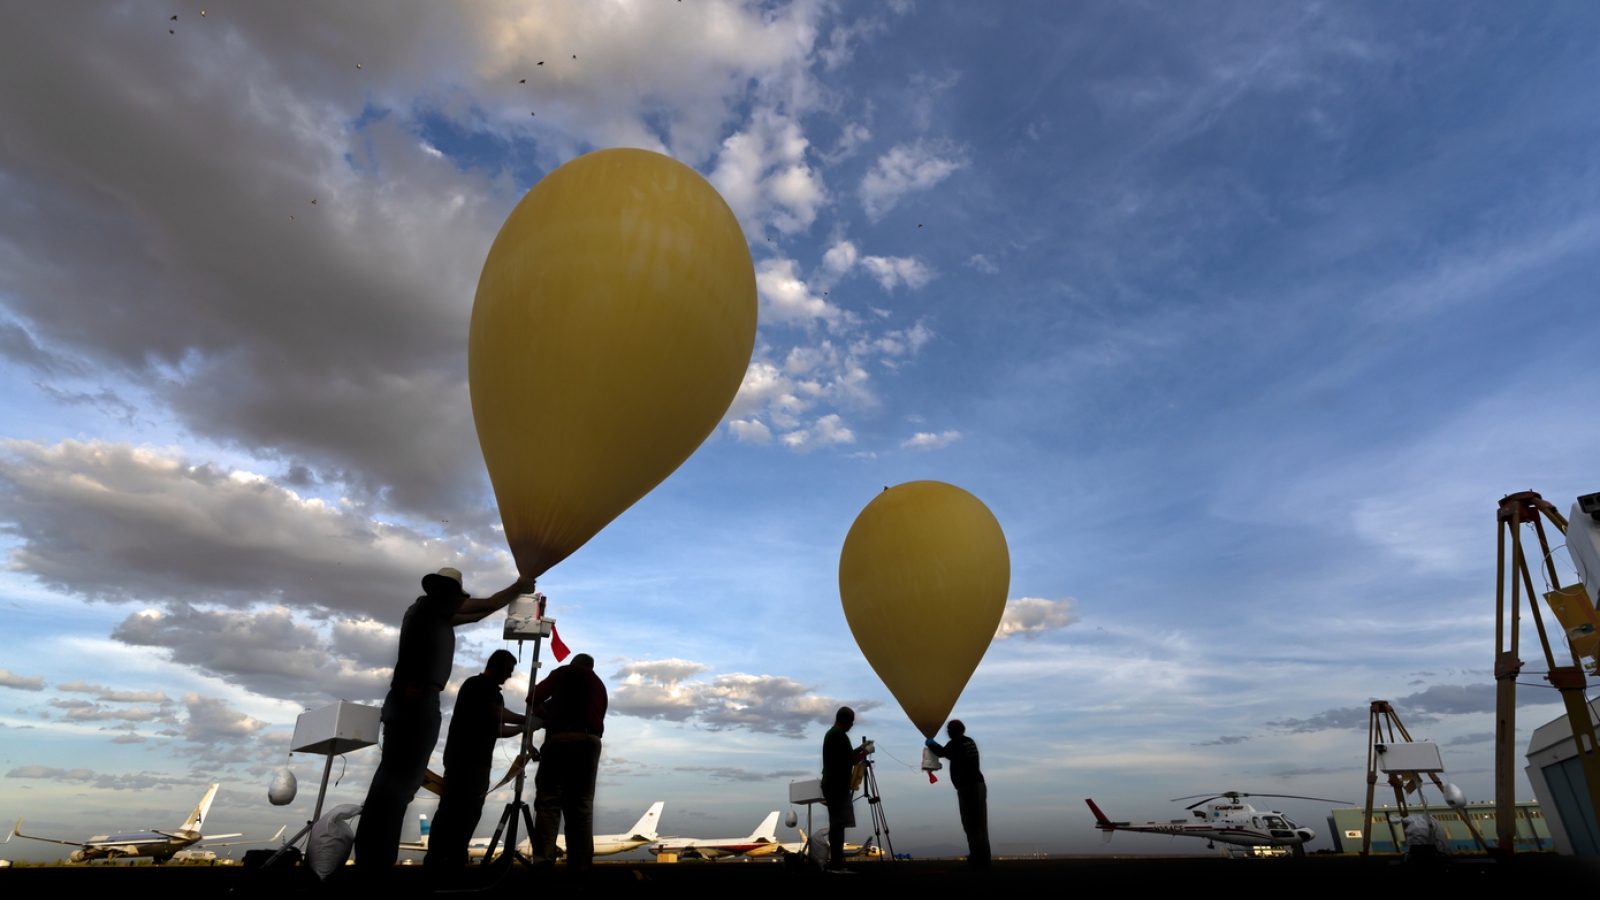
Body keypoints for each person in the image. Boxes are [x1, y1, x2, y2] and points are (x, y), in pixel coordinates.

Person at [354, 567, 532, 872]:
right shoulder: (432, 605)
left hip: (409, 699)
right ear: (446, 591)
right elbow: (485, 605)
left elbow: (476, 615)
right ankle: (376, 867)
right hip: (416, 700)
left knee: (391, 785)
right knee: (399, 788)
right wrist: (519, 586)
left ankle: (372, 862)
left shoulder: (428, 612)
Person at [424, 650, 526, 878]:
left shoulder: (495, 695)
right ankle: (436, 862)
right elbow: (495, 714)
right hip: (463, 759)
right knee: (452, 810)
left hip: (480, 763)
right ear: (496, 666)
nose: (509, 676)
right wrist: (525, 719)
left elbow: (497, 728)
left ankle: (455, 861)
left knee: (470, 813)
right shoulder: (476, 686)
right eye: (508, 670)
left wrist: (521, 729)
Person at [528, 652, 608, 873]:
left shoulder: (564, 672)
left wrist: (546, 716)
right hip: (590, 742)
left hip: (561, 739)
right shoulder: (600, 685)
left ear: (573, 664)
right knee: (581, 804)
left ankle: (543, 863)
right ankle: (581, 866)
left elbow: (532, 699)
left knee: (549, 801)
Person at [926, 719, 990, 870]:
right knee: (981, 826)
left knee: (971, 825)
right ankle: (984, 861)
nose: (948, 731)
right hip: (978, 785)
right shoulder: (969, 742)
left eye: (949, 729)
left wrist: (930, 744)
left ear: (955, 730)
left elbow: (942, 752)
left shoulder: (956, 744)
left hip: (968, 787)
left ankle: (976, 862)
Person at [821, 706, 868, 873]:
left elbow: (845, 754)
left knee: (836, 823)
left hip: (831, 784)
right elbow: (849, 759)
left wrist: (860, 748)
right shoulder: (839, 736)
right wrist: (865, 752)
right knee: (838, 824)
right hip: (837, 785)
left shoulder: (832, 734)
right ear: (847, 721)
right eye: (852, 721)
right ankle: (836, 863)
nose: (853, 725)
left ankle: (836, 861)